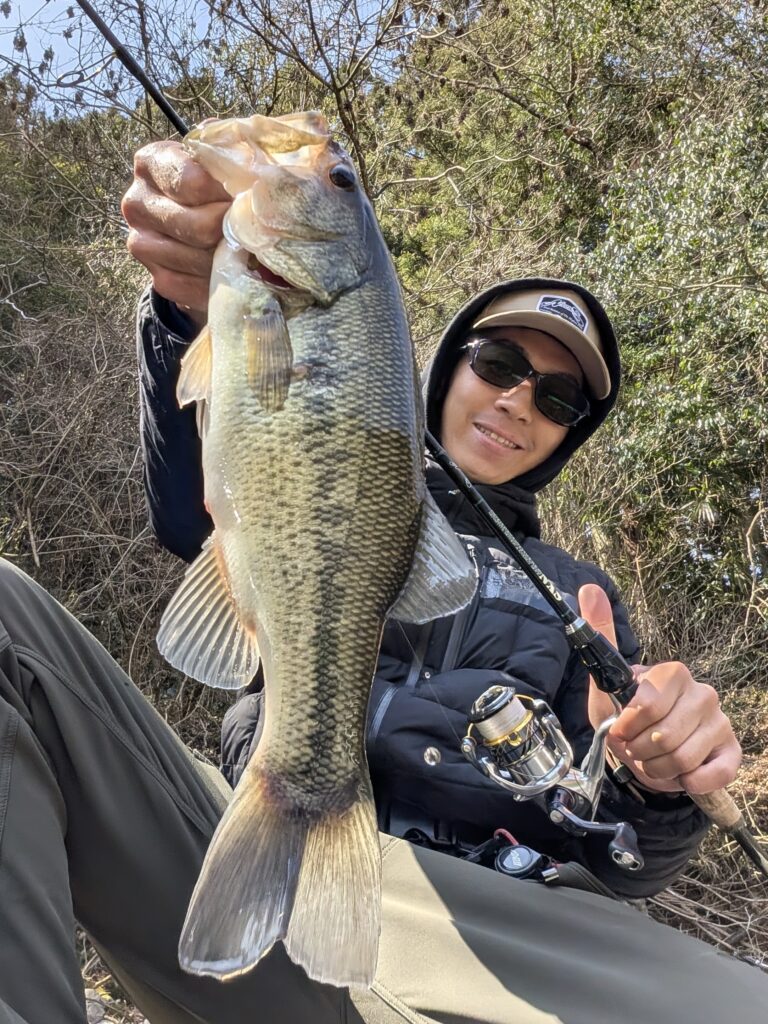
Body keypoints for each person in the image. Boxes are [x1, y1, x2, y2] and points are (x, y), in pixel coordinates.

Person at [0, 144, 764, 1024]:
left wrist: (657, 781)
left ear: (569, 438)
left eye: (557, 400)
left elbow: (627, 856)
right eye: (500, 365)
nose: (519, 402)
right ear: (443, 364)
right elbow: (189, 507)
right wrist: (183, 308)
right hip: (251, 854)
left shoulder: (577, 596)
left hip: (499, 926)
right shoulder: (305, 381)